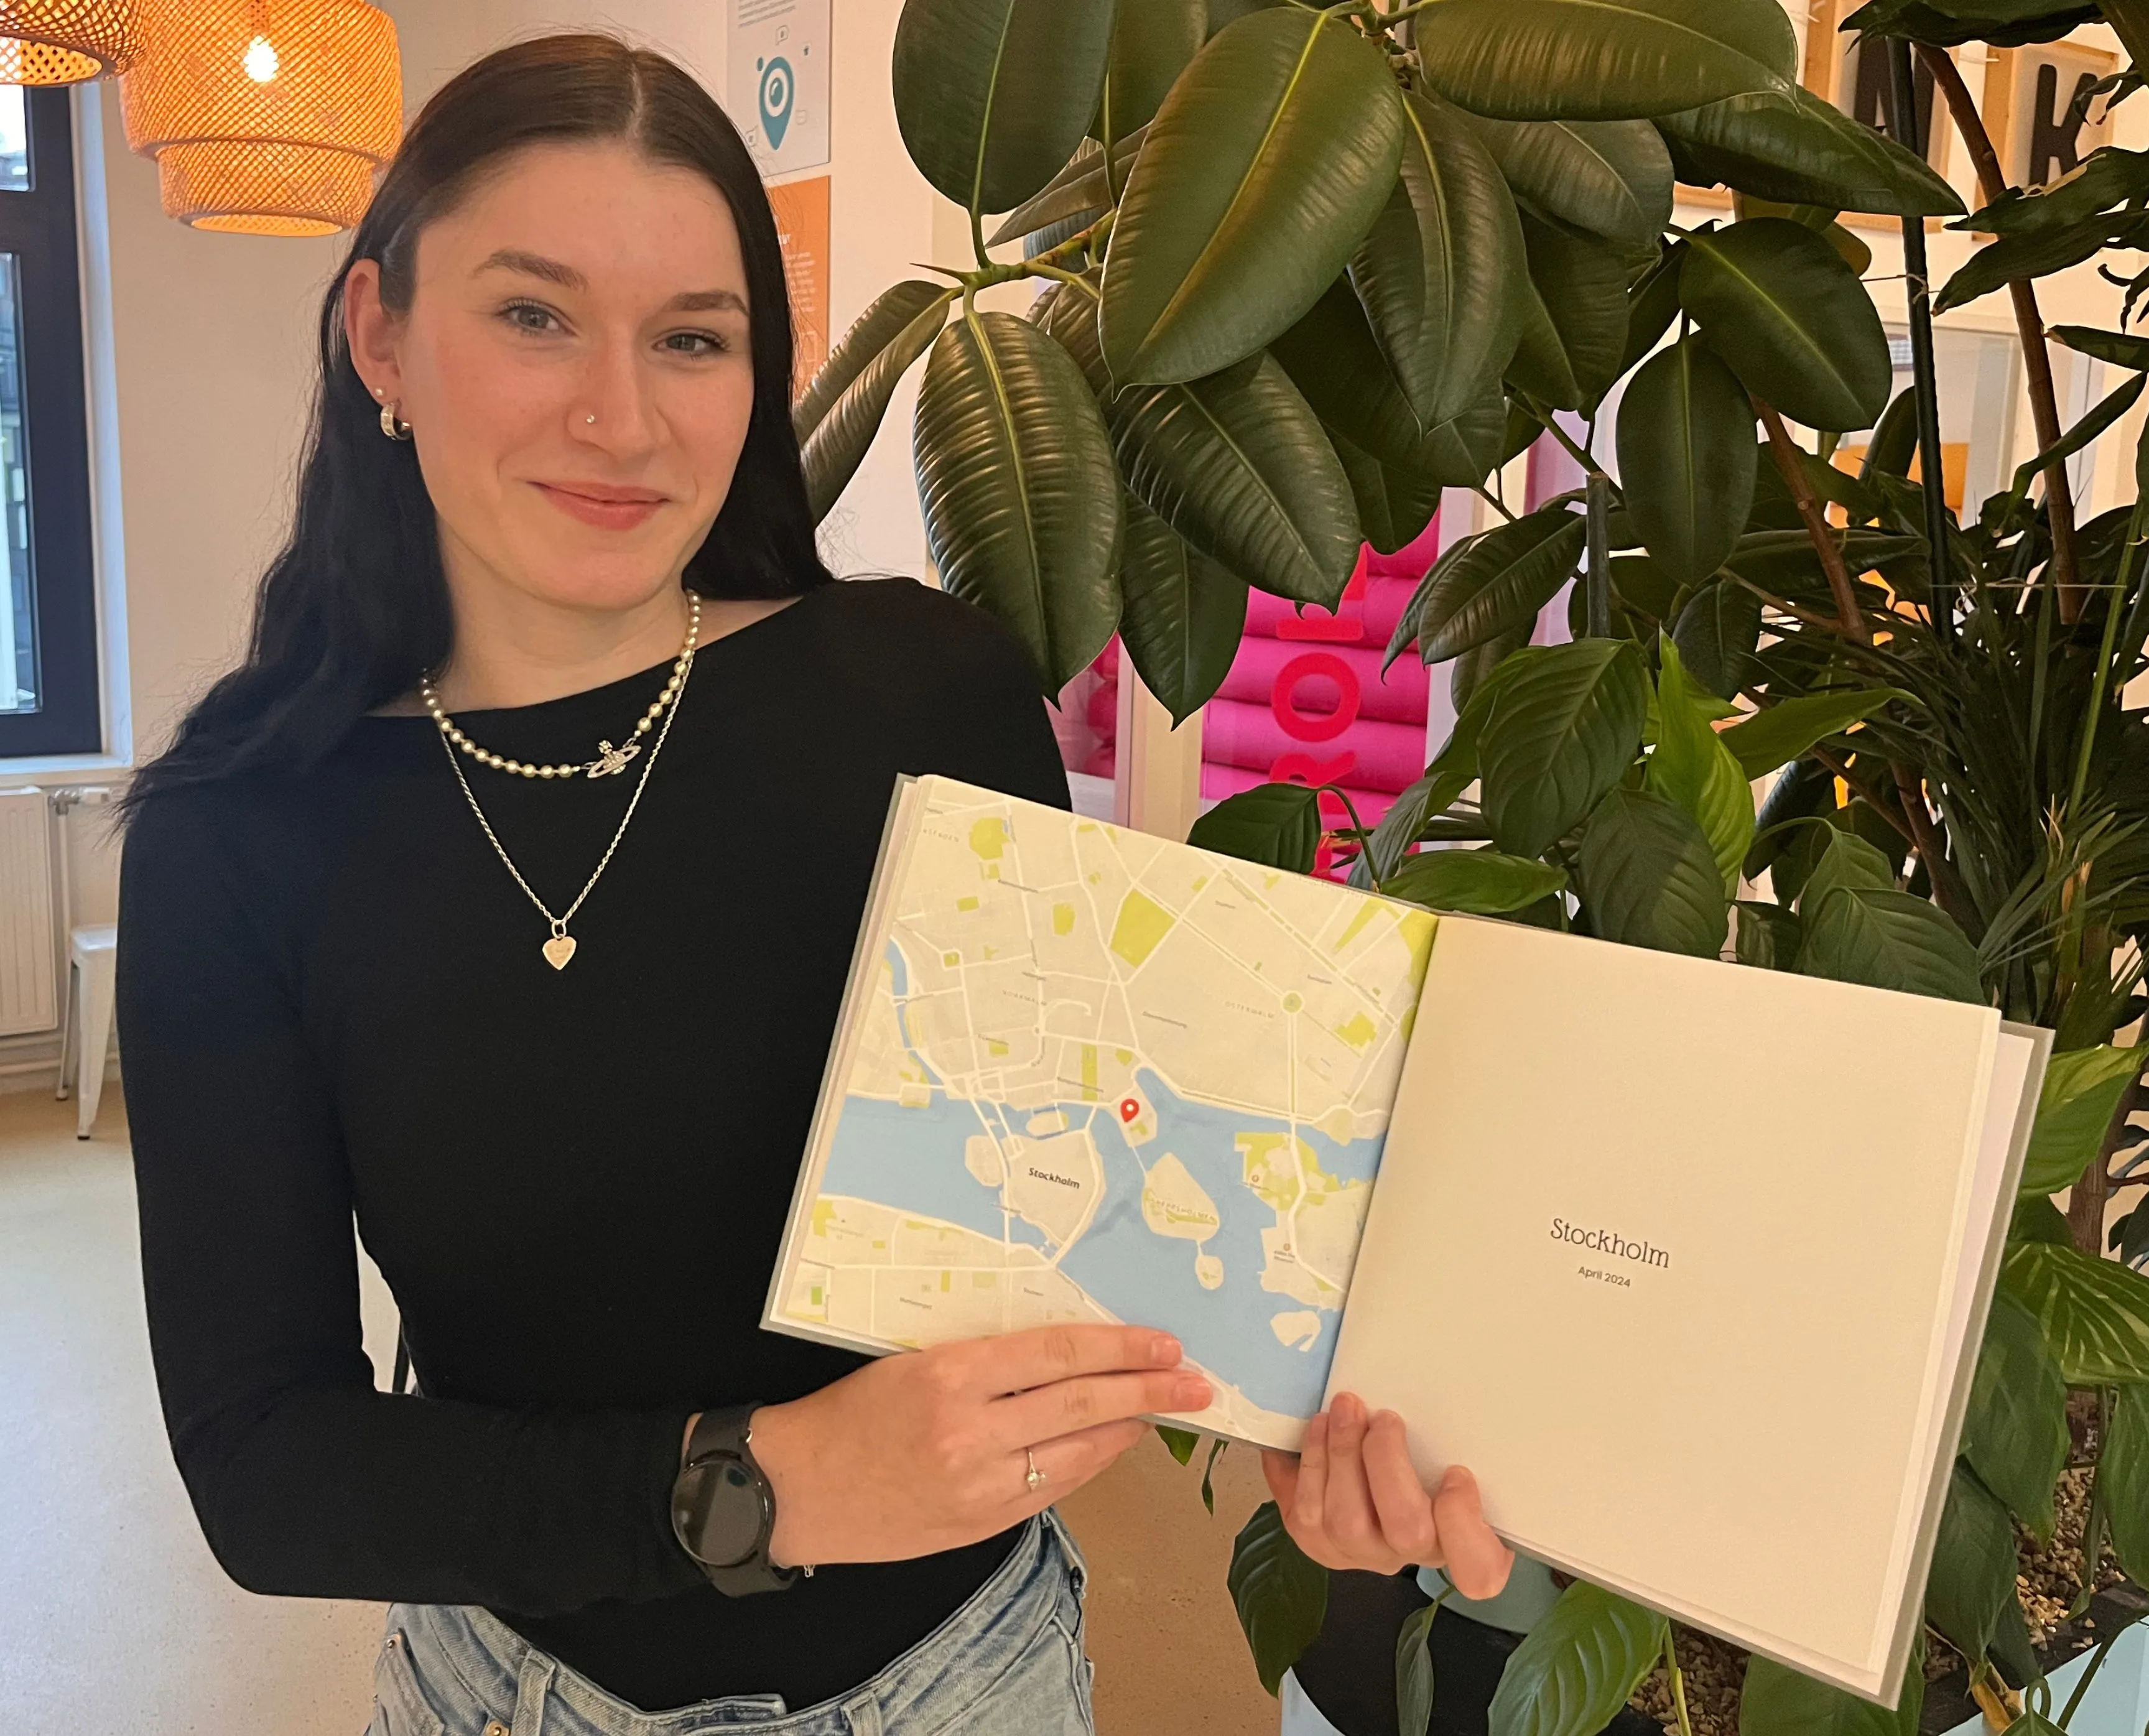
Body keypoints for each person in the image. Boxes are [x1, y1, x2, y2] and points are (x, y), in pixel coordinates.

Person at [116, 33, 1510, 1736]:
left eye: (692, 337)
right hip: (515, 1697)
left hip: (962, 1681)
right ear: (381, 336)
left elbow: (1092, 1190)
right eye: (533, 313)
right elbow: (268, 1465)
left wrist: (1301, 1415)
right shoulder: (239, 835)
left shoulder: (927, 695)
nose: (619, 416)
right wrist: (761, 1483)